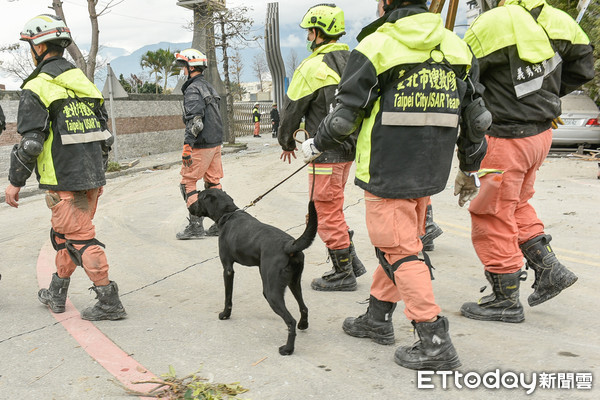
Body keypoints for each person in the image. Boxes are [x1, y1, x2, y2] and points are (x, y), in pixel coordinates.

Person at [302, 0, 490, 370]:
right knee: (403, 243)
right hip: (430, 169)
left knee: (400, 250)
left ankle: (434, 339)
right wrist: (469, 166)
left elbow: (342, 121)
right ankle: (377, 317)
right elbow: (477, 118)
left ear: (386, 3)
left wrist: (315, 144)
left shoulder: (377, 46)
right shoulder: (455, 46)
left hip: (388, 169)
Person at [460, 0, 594, 323]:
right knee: (517, 205)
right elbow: (583, 68)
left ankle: (504, 298)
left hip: (505, 139)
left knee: (491, 213)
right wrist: (542, 98)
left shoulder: (492, 24)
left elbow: (465, 78)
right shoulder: (560, 21)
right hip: (539, 136)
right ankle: (549, 269)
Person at [4, 14, 126, 320]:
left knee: (81, 239)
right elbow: (105, 136)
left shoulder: (38, 85)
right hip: (92, 178)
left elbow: (31, 143)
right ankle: (56, 293)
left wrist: (15, 182)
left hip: (64, 180)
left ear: (38, 47)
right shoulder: (84, 83)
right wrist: (97, 173)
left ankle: (110, 301)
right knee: (63, 237)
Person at [278, 3, 366, 292]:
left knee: (324, 210)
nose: (307, 38)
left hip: (324, 151)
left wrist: (287, 141)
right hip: (350, 150)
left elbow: (292, 111)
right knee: (334, 205)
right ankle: (351, 261)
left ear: (317, 32)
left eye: (308, 33)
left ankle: (343, 273)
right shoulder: (356, 60)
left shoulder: (312, 66)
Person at [174, 48, 224, 239]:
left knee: (187, 182)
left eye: (183, 66)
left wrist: (187, 146)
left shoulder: (193, 89)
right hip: (215, 142)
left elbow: (196, 121)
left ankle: (195, 226)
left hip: (201, 144)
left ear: (190, 66)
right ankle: (221, 223)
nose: (182, 71)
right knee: (213, 182)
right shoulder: (208, 86)